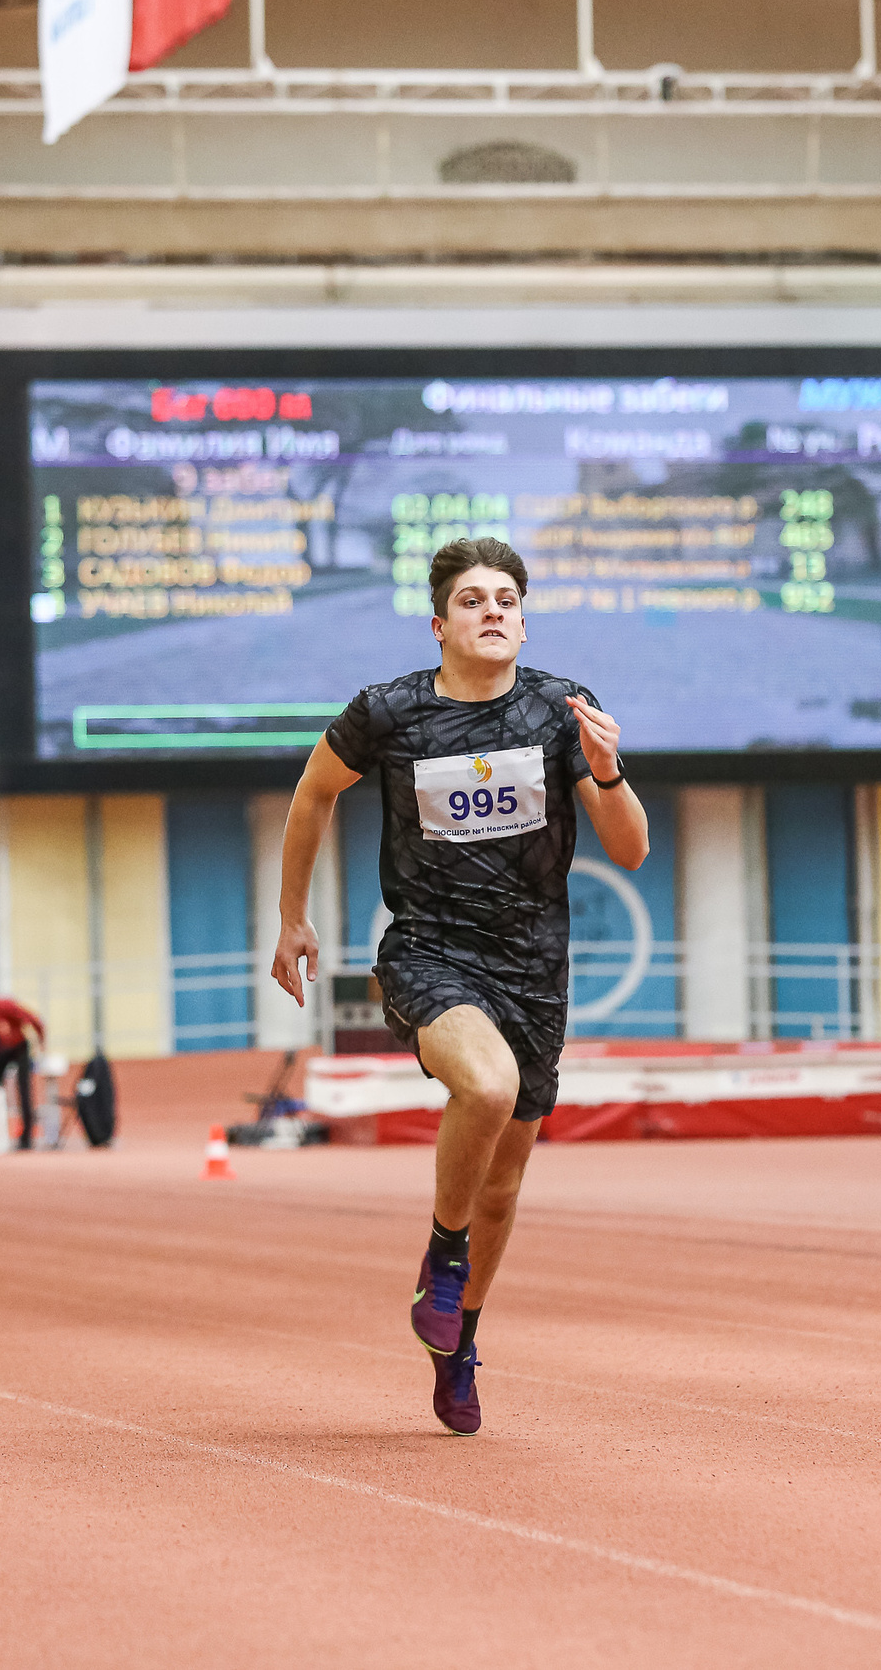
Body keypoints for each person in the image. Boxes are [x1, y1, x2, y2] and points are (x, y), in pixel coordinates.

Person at [271, 537, 649, 1435]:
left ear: (523, 619)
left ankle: (460, 1339)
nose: (493, 611)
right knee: (486, 1083)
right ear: (440, 623)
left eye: (508, 599)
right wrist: (292, 915)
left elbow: (630, 848)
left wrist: (607, 767)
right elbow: (313, 793)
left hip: (534, 967)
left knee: (506, 1187)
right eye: (474, 599)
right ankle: (441, 1257)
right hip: (429, 950)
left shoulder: (564, 710)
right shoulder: (388, 712)